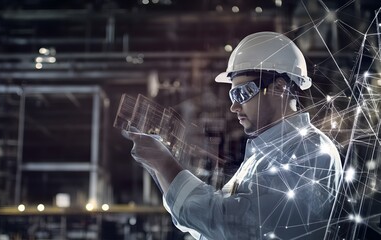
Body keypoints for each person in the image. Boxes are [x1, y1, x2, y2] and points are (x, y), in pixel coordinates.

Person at [122, 32, 343, 239]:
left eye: (243, 93)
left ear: (280, 88)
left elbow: (238, 227)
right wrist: (157, 163)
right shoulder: (261, 157)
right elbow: (207, 227)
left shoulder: (308, 150)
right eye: (232, 94)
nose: (234, 106)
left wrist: (165, 164)